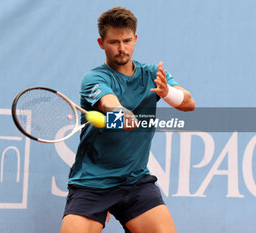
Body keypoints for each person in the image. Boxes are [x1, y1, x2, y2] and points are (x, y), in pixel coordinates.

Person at [60, 6, 195, 233]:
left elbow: (189, 103)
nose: (122, 48)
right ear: (101, 43)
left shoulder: (153, 73)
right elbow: (110, 103)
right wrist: (120, 115)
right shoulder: (94, 78)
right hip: (93, 184)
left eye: (127, 40)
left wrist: (167, 93)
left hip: (135, 182)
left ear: (135, 39)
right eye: (114, 42)